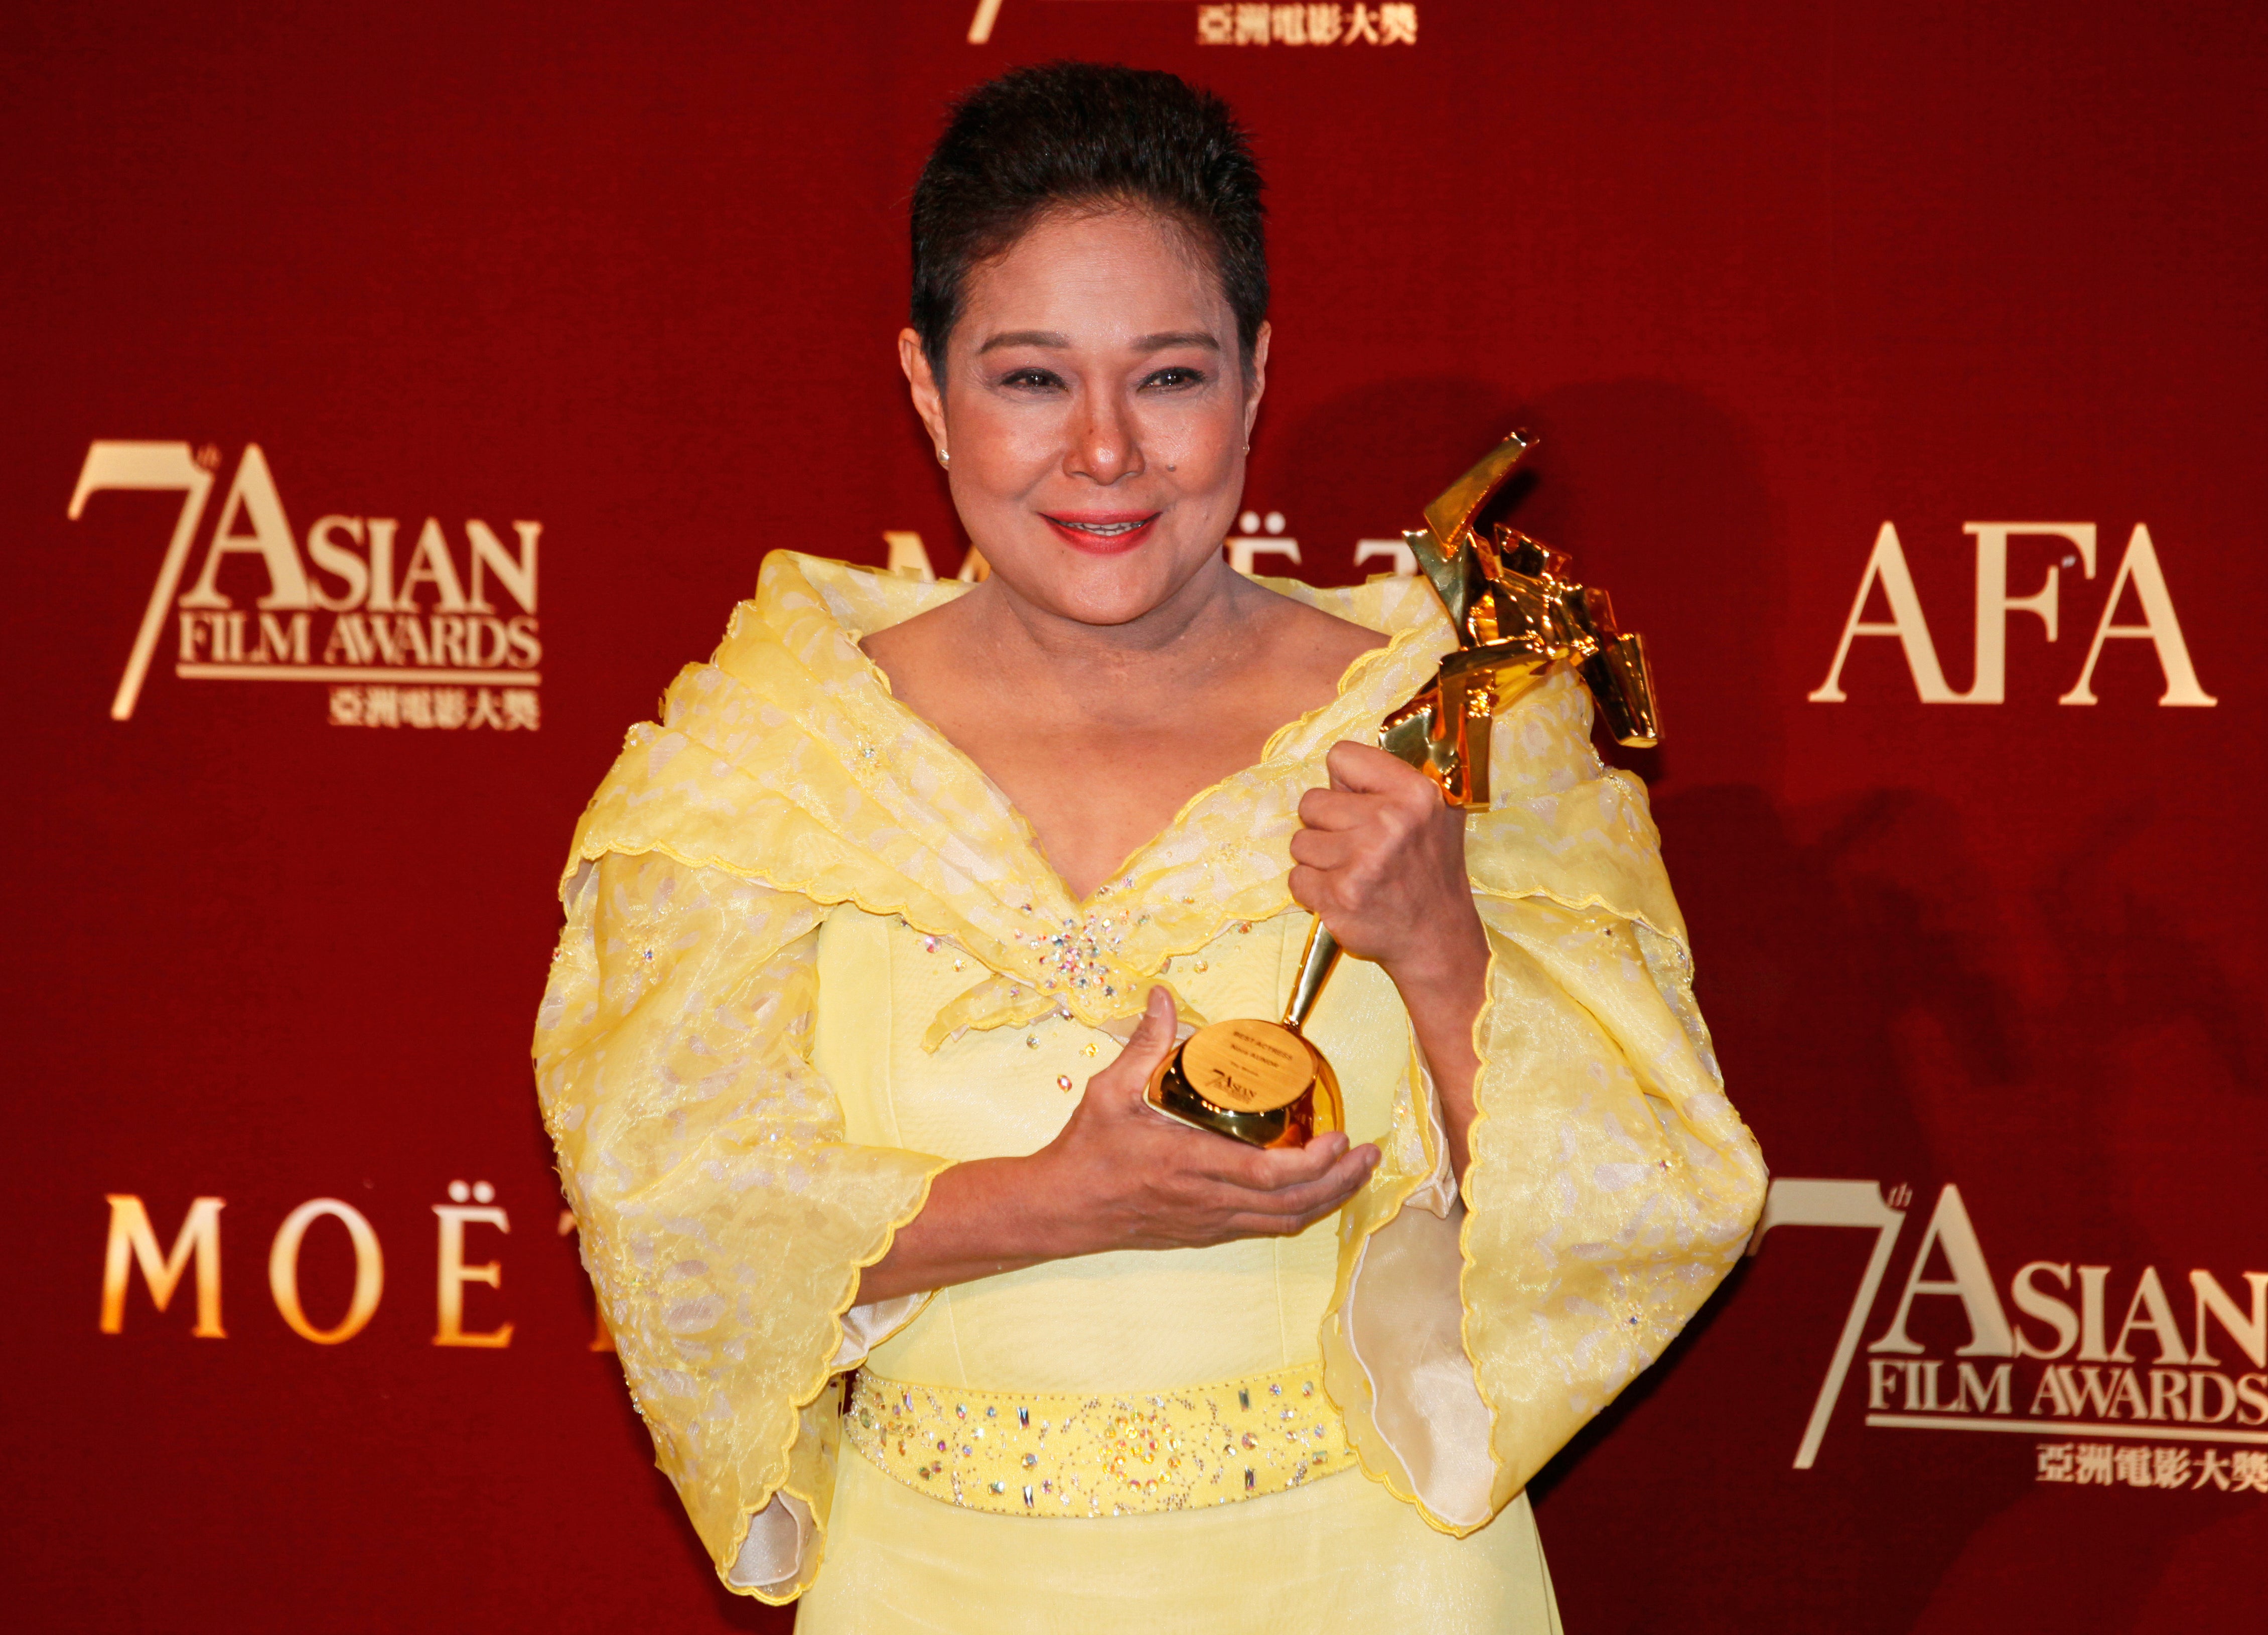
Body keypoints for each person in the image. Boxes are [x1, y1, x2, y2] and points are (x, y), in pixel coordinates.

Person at [535, 62, 1765, 1632]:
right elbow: (683, 1229)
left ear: (1256, 374)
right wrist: (1065, 1197)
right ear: (926, 385)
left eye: (1169, 376)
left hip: (1373, 1585)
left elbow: (1649, 1196)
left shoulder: (1447, 726)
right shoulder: (768, 766)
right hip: (939, 1584)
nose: (1105, 453)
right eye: (1031, 379)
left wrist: (1445, 950)